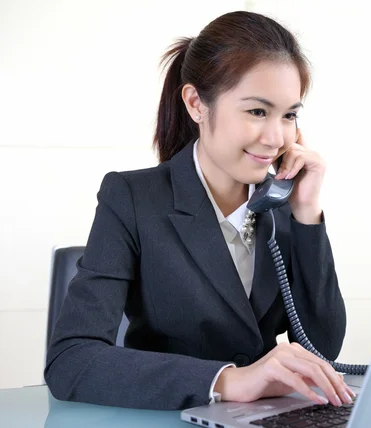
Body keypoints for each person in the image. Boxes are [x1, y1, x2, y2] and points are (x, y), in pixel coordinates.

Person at [44, 10, 353, 411]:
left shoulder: (281, 206)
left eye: (289, 115)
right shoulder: (133, 198)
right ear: (196, 104)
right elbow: (71, 360)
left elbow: (322, 347)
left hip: (264, 419)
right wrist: (227, 380)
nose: (277, 137)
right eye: (257, 111)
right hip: (167, 415)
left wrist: (307, 213)